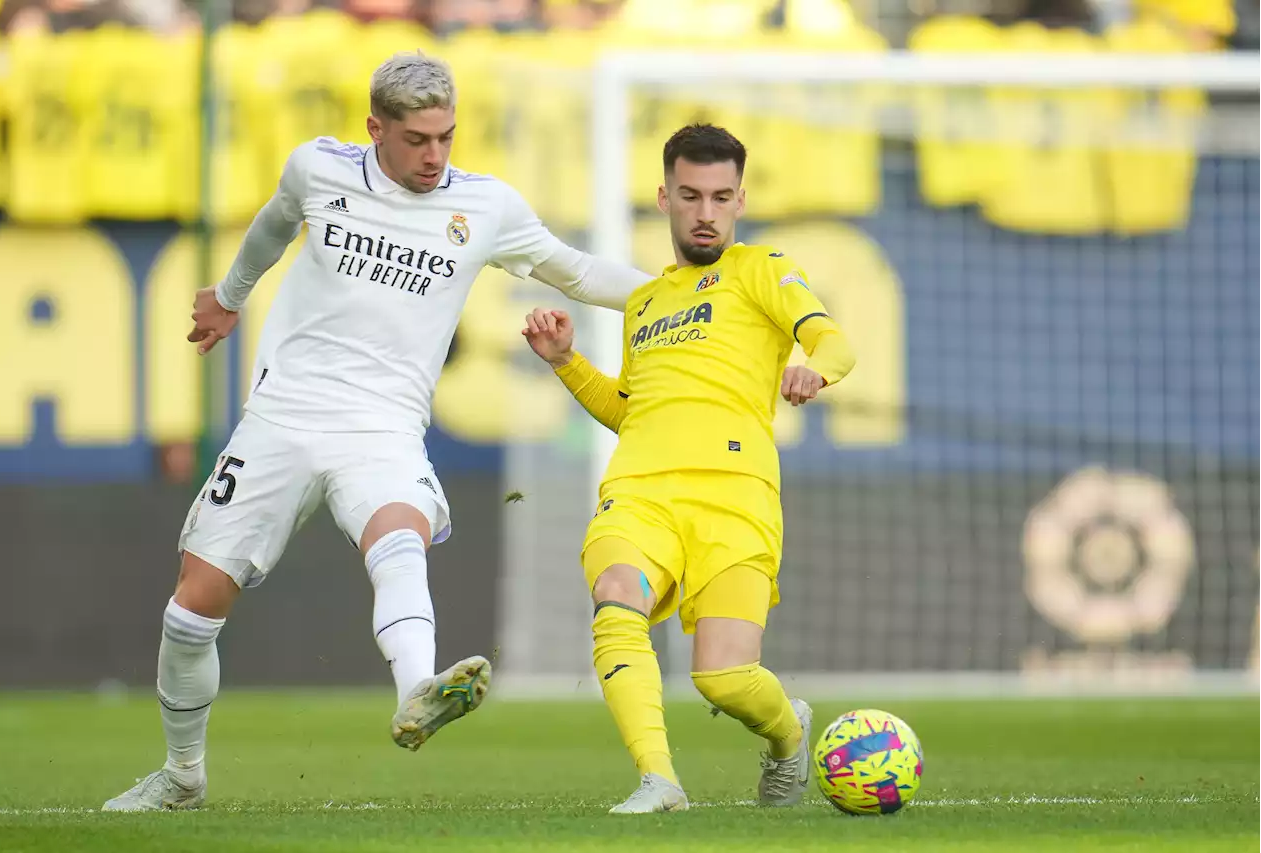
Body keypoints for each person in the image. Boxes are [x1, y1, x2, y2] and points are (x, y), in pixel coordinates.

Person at [103, 51, 650, 812]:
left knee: (399, 535)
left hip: (385, 426)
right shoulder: (317, 171)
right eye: (417, 139)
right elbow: (270, 226)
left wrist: (685, 293)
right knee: (191, 610)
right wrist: (228, 297)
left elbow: (579, 272)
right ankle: (182, 773)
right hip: (284, 415)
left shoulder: (483, 207)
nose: (434, 156)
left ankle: (418, 689)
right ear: (375, 129)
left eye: (446, 138)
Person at [522, 123, 856, 814]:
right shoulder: (645, 302)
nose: (706, 211)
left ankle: (789, 732)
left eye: (721, 196)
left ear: (740, 200)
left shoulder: (765, 269)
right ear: (664, 197)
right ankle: (659, 779)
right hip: (640, 495)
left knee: (724, 677)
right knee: (617, 594)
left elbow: (832, 338)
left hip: (737, 499)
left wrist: (814, 369)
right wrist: (566, 361)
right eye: (691, 195)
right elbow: (631, 410)